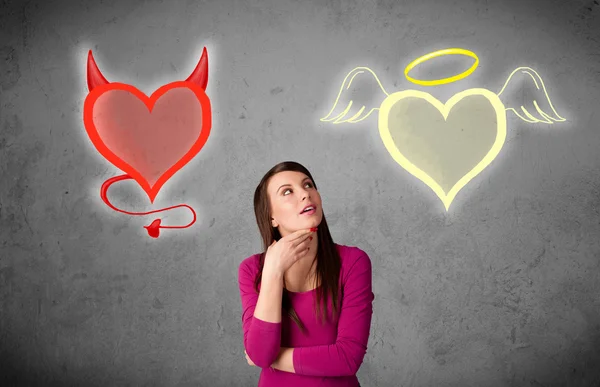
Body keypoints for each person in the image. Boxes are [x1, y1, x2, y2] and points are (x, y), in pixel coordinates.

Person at [238, 161, 374, 387]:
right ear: (271, 216)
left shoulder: (353, 262)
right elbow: (260, 353)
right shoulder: (252, 270)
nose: (305, 194)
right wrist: (273, 272)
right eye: (288, 191)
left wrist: (273, 358)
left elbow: (348, 358)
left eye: (308, 185)